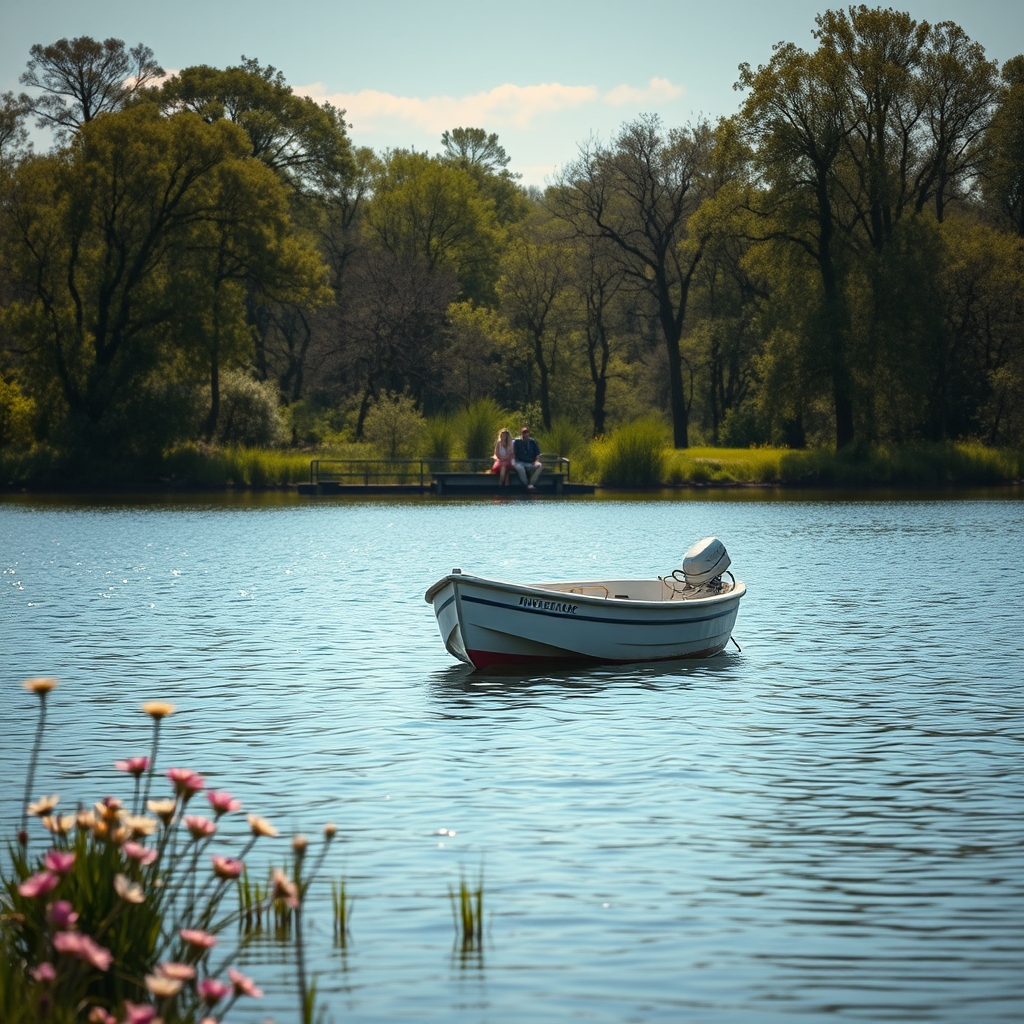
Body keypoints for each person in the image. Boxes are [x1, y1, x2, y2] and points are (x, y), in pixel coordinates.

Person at [512, 424, 542, 490]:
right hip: (519, 462)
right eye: (524, 433)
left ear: (529, 433)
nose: (525, 434)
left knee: (539, 466)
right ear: (521, 434)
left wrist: (536, 462)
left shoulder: (532, 442)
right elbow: (512, 452)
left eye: (527, 433)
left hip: (529, 463)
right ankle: (526, 485)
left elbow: (537, 454)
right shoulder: (517, 441)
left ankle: (531, 484)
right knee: (520, 469)